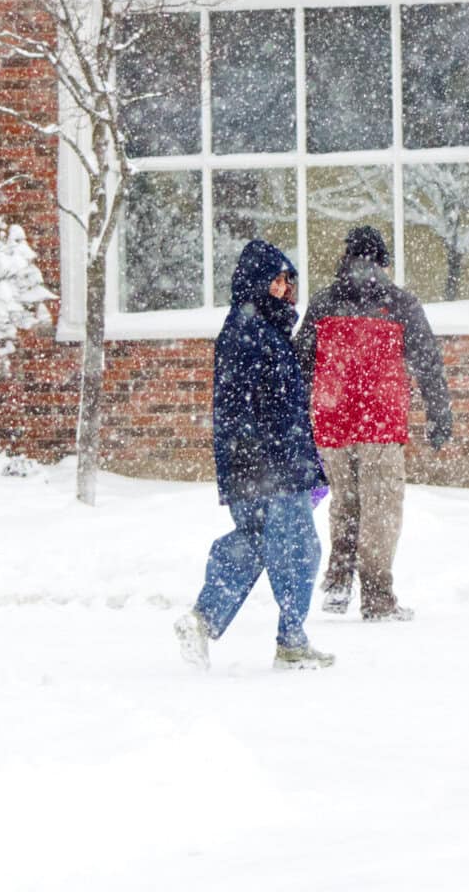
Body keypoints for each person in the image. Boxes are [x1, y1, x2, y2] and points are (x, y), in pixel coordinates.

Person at [176, 240, 334, 671]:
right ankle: (292, 642)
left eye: (287, 280)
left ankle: (202, 620)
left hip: (260, 466)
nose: (283, 289)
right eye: (276, 279)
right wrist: (276, 464)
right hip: (271, 467)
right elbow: (250, 409)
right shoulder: (252, 333)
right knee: (299, 548)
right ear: (255, 282)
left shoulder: (259, 330)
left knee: (258, 544)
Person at [295, 226, 452, 622]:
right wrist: (439, 412)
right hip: (379, 421)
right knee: (381, 509)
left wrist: (297, 417)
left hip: (332, 421)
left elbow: (301, 362)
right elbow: (427, 362)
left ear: (345, 259)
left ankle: (338, 583)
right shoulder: (400, 303)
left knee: (346, 503)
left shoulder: (324, 302)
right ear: (384, 262)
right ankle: (378, 597)